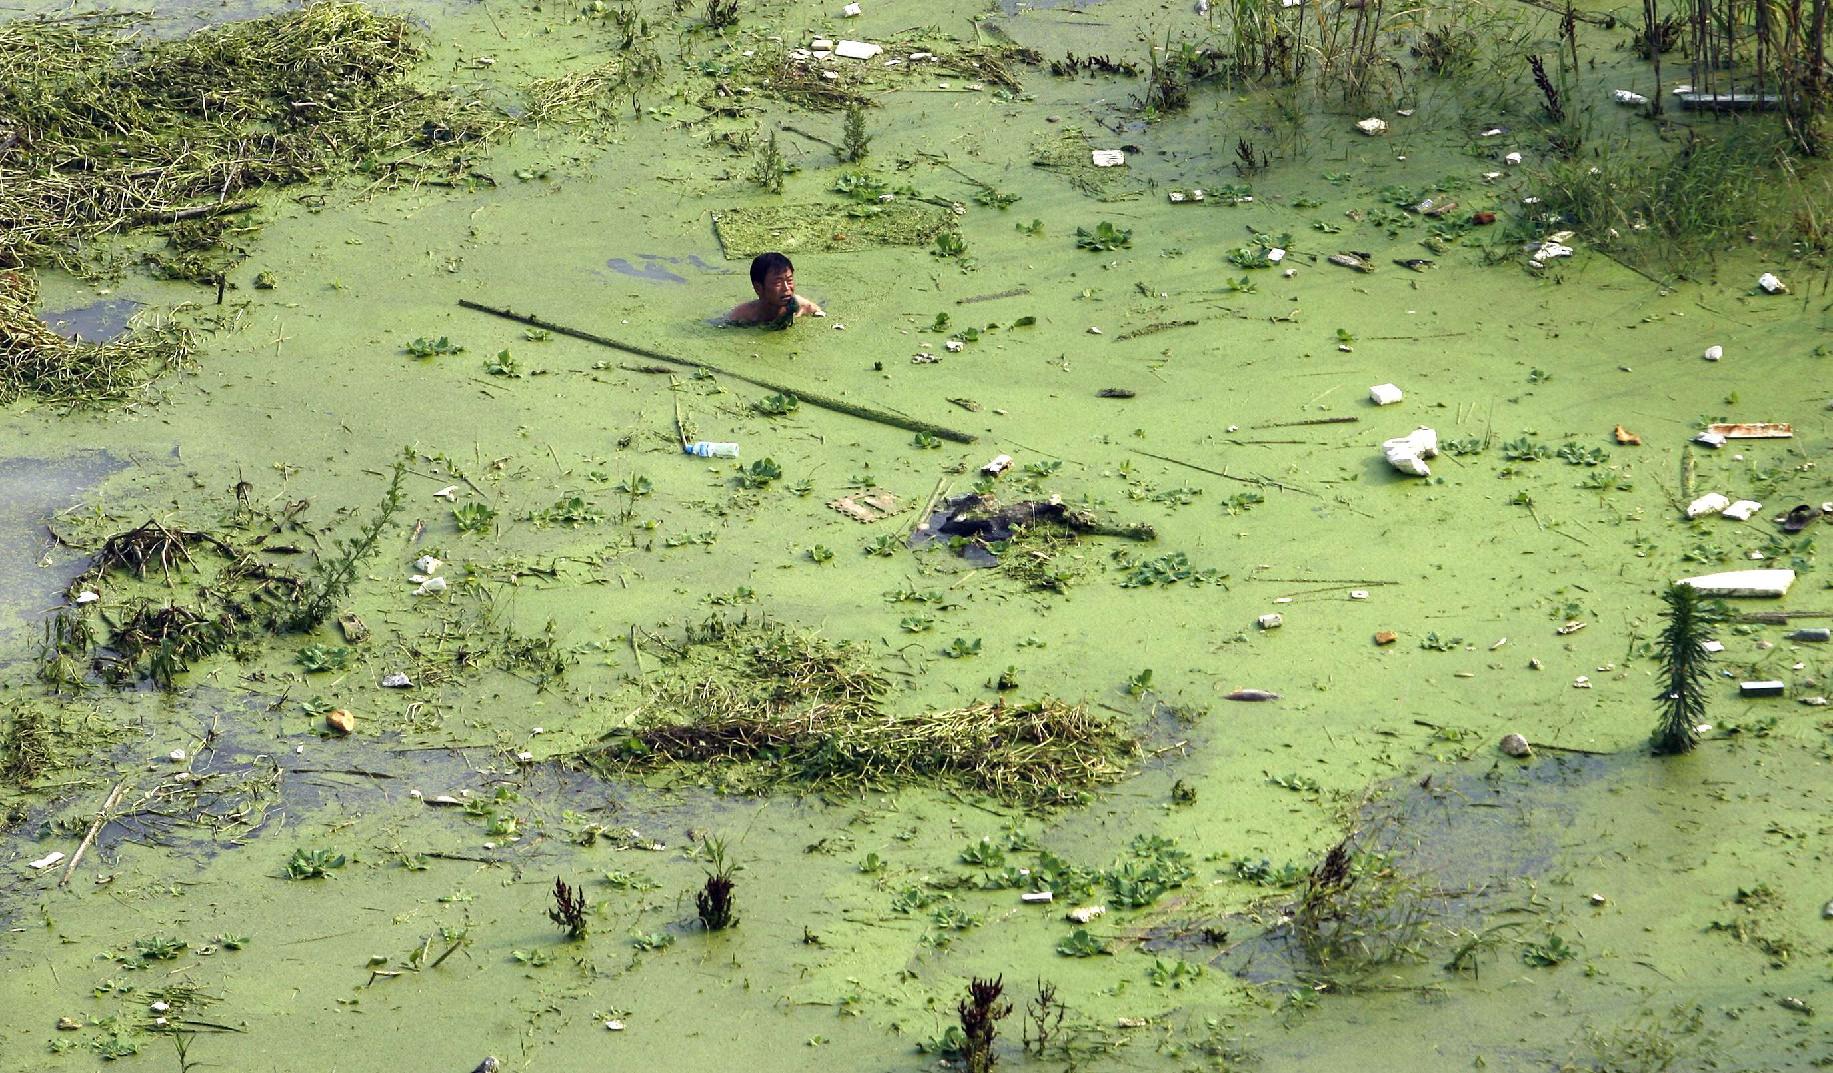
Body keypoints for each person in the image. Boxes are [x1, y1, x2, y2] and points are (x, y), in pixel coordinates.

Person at [727, 252, 823, 326]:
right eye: (778, 282)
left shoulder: (801, 307)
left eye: (789, 280)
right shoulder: (741, 317)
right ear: (758, 288)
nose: (786, 288)